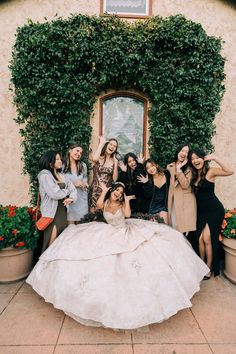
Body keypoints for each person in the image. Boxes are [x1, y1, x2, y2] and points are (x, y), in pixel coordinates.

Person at [27, 182, 209, 330]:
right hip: (106, 232)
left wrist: (126, 200)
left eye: (121, 192)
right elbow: (98, 205)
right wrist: (106, 191)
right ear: (112, 191)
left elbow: (128, 216)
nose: (118, 193)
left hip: (125, 231)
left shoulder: (123, 203)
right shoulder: (105, 202)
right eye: (116, 190)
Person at [189, 149, 234, 278]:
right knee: (199, 239)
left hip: (214, 210)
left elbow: (230, 171)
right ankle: (202, 265)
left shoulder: (211, 171)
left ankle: (208, 268)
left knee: (207, 238)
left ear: (203, 158)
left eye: (198, 157)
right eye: (192, 158)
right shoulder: (193, 174)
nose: (196, 160)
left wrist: (215, 158)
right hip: (202, 212)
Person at [37, 150, 77, 252]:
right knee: (51, 241)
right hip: (51, 214)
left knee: (60, 241)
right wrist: (67, 191)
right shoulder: (44, 175)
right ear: (50, 162)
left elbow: (73, 189)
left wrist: (71, 198)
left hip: (63, 211)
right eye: (57, 159)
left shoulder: (62, 175)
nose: (60, 161)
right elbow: (55, 194)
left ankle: (55, 266)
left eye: (60, 159)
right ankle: (45, 265)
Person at [167, 144, 196, 234]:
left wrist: (179, 170)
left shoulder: (189, 169)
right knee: (172, 227)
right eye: (182, 150)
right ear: (178, 151)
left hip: (184, 202)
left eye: (186, 152)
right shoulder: (170, 166)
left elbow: (185, 185)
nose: (183, 153)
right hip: (172, 200)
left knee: (182, 229)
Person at [89, 136, 119, 212]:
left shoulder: (114, 161)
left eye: (114, 146)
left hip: (105, 192)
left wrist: (116, 163)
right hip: (94, 191)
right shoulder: (99, 157)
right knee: (92, 216)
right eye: (110, 144)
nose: (112, 147)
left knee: (103, 216)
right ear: (106, 145)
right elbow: (95, 159)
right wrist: (101, 144)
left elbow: (115, 179)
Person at [138, 159, 170, 224]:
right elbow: (148, 196)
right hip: (152, 207)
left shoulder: (167, 174)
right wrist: (146, 183)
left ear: (156, 165)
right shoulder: (149, 181)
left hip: (164, 206)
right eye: (148, 168)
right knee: (154, 230)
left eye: (152, 166)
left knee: (165, 227)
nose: (151, 169)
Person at [63, 143, 88, 223]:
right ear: (70, 150)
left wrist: (85, 184)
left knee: (81, 227)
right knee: (71, 226)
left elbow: (85, 178)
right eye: (77, 151)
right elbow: (59, 183)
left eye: (81, 153)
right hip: (70, 199)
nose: (79, 154)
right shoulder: (62, 166)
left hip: (81, 197)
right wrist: (73, 184)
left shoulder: (83, 165)